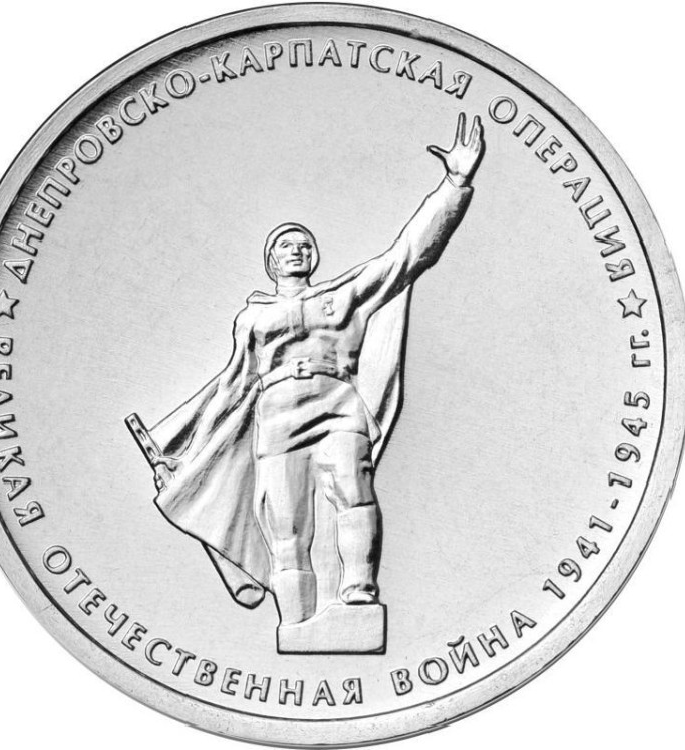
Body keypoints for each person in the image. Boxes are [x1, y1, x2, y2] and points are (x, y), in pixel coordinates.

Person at [145, 113, 485, 630]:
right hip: (278, 416)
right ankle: (296, 625)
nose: (297, 249)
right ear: (271, 261)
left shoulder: (343, 297)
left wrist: (454, 185)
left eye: (304, 243)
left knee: (354, 490)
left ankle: (360, 594)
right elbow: (234, 386)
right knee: (286, 528)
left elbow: (409, 255)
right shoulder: (253, 318)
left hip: (337, 405)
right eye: (286, 245)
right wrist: (191, 454)